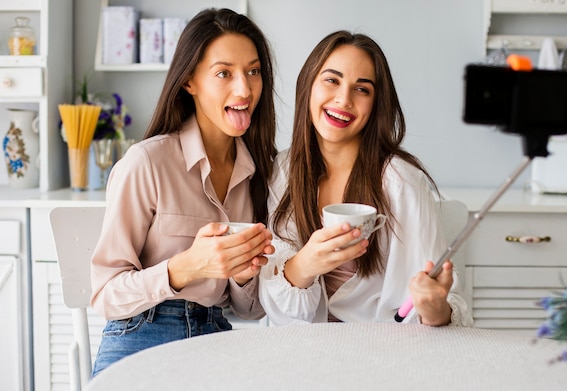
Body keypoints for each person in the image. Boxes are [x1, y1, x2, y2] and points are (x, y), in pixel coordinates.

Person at [90, 8, 277, 375]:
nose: (244, 89)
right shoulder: (147, 162)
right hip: (140, 332)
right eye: (224, 73)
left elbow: (250, 309)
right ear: (190, 80)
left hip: (215, 335)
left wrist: (241, 274)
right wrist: (185, 267)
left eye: (253, 71)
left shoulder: (261, 172)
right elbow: (105, 295)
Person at [259, 30, 472, 326]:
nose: (344, 99)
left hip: (378, 351)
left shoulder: (400, 182)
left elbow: (446, 308)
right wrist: (306, 264)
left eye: (362, 89)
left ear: (376, 104)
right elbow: (274, 307)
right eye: (332, 80)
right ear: (308, 84)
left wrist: (434, 308)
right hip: (298, 348)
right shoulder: (283, 170)